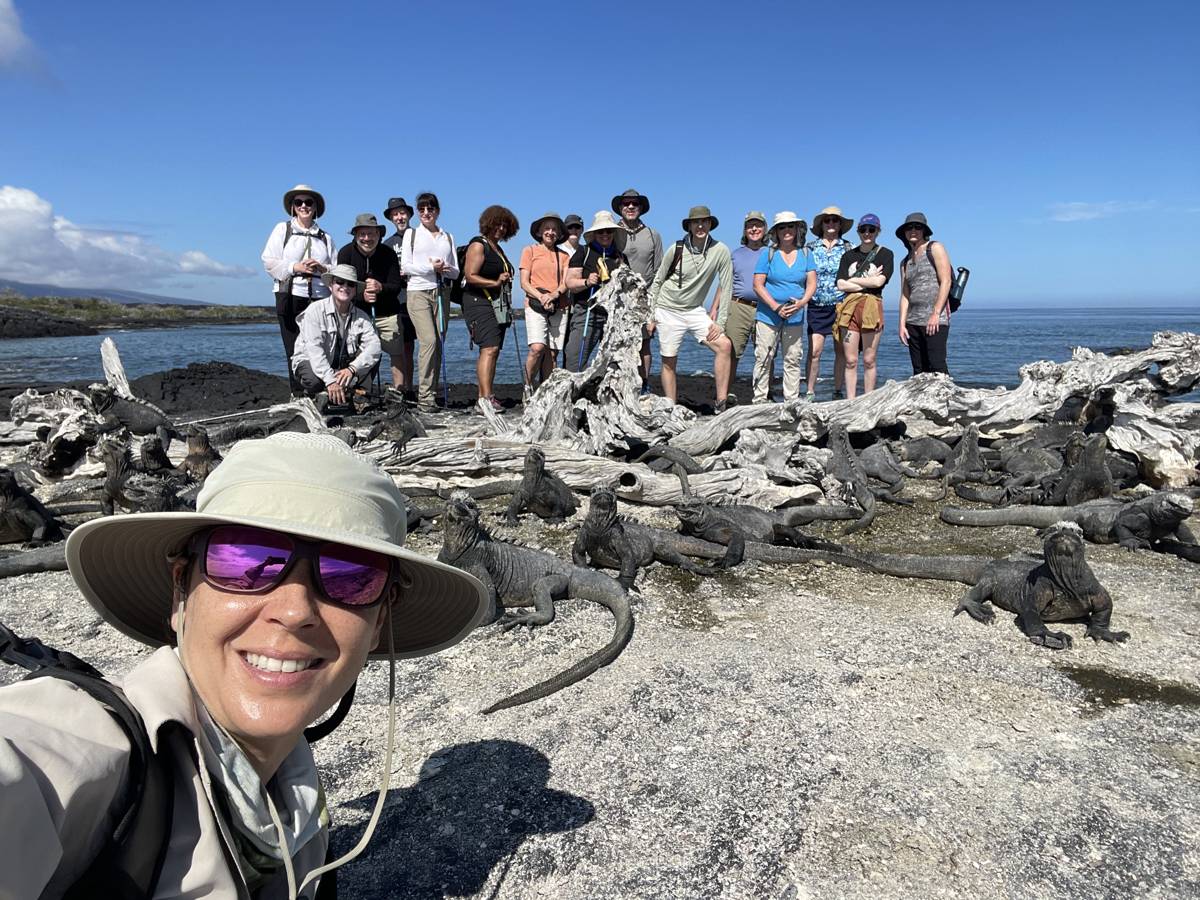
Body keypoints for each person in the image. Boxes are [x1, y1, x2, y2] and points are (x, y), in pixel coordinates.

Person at [0, 431, 489, 897]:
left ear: (379, 619)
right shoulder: (88, 751)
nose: (295, 610)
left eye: (350, 575)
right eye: (246, 559)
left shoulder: (297, 799)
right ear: (180, 590)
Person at [647, 206, 736, 412]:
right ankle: (672, 408)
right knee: (669, 360)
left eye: (704, 221)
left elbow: (727, 285)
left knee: (724, 345)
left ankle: (720, 404)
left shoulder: (721, 250)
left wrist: (720, 323)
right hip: (667, 309)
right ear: (689, 226)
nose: (700, 225)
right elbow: (658, 282)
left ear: (710, 224)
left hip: (695, 310)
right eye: (696, 222)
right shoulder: (676, 248)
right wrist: (650, 316)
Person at [261, 185, 337, 396]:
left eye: (308, 202)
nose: (304, 206)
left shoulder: (325, 238)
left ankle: (319, 389)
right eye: (299, 202)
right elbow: (268, 260)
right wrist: (295, 267)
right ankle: (298, 393)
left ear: (315, 207)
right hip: (291, 295)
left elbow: (335, 268)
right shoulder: (282, 230)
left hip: (320, 298)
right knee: (293, 347)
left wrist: (322, 268)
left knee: (320, 344)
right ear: (293, 207)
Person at [399, 192, 458, 413]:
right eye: (422, 209)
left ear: (437, 211)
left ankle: (431, 394)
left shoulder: (447, 237)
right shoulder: (411, 235)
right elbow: (406, 267)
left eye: (430, 208)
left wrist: (445, 268)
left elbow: (455, 271)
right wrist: (430, 268)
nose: (426, 213)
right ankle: (424, 397)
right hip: (418, 292)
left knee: (439, 344)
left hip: (442, 292)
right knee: (429, 341)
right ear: (417, 212)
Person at [291, 264, 381, 408]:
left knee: (373, 356)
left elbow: (375, 346)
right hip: (311, 361)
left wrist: (352, 369)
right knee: (314, 381)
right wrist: (331, 381)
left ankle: (358, 396)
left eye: (350, 284)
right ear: (331, 285)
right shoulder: (314, 311)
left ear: (354, 290)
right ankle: (319, 393)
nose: (344, 287)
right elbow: (315, 351)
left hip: (344, 367)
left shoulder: (362, 316)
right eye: (339, 282)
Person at [752, 212, 816, 403]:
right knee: (764, 357)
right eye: (782, 227)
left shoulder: (806, 254)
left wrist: (802, 302)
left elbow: (812, 283)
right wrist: (776, 307)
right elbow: (757, 284)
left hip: (795, 317)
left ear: (797, 230)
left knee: (792, 359)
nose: (787, 231)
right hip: (767, 316)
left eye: (790, 226)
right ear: (776, 232)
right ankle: (759, 400)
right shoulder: (768, 253)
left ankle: (791, 401)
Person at [461, 205, 519, 412]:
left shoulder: (497, 248)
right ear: (488, 223)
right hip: (478, 303)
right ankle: (485, 400)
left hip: (495, 305)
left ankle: (485, 396)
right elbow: (470, 276)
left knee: (494, 351)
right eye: (497, 224)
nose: (501, 228)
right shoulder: (478, 245)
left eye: (505, 225)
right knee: (489, 348)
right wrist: (495, 283)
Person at [338, 214, 403, 392]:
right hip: (357, 314)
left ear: (378, 235)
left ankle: (399, 392)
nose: (367, 238)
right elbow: (342, 288)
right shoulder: (345, 253)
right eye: (362, 234)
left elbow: (396, 286)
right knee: (358, 353)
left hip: (387, 313)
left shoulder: (388, 254)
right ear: (356, 235)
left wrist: (380, 287)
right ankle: (359, 390)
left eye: (371, 234)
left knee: (396, 354)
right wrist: (362, 295)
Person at [835, 214, 894, 399]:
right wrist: (868, 281)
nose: (867, 233)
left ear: (878, 231)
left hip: (871, 306)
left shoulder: (885, 254)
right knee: (851, 360)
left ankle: (868, 400)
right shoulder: (848, 256)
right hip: (849, 307)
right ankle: (850, 401)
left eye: (871, 229)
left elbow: (879, 282)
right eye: (863, 229)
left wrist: (854, 280)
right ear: (858, 231)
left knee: (869, 360)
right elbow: (841, 285)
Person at [611, 188, 664, 392]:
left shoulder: (653, 235)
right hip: (617, 299)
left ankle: (643, 384)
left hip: (645, 297)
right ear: (620, 208)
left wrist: (653, 305)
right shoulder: (610, 232)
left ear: (641, 207)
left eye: (635, 203)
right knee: (617, 344)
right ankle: (618, 384)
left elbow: (659, 270)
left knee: (644, 343)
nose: (630, 207)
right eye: (626, 203)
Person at [563, 211, 628, 372]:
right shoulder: (583, 253)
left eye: (608, 231)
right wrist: (586, 282)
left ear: (614, 233)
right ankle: (573, 393)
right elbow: (570, 283)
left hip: (613, 315)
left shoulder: (620, 257)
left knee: (613, 361)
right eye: (601, 231)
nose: (605, 234)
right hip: (587, 312)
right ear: (594, 234)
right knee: (574, 357)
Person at [806, 206, 854, 400]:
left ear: (840, 224)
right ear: (822, 224)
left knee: (840, 350)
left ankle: (837, 390)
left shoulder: (849, 247)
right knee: (815, 350)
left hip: (841, 305)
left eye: (835, 220)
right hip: (816, 305)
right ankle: (809, 391)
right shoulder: (809, 248)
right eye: (827, 220)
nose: (831, 223)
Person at [896, 212, 952, 375]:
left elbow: (946, 281)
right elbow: (905, 295)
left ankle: (945, 400)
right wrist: (901, 324)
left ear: (924, 231)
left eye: (917, 227)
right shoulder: (905, 262)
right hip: (912, 322)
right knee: (919, 370)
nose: (913, 230)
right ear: (904, 233)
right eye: (909, 228)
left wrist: (935, 314)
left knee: (937, 367)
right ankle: (920, 402)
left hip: (935, 320)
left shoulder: (935, 248)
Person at [520, 212, 571, 386]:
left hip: (559, 305)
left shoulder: (564, 256)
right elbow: (524, 283)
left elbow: (566, 282)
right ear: (540, 232)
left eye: (554, 229)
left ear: (559, 234)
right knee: (537, 348)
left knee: (552, 353)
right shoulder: (529, 251)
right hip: (535, 304)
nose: (550, 232)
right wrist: (542, 297)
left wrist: (554, 295)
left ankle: (545, 392)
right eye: (547, 228)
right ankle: (527, 387)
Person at [381, 197, 417, 394]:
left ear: (409, 215)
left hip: (419, 296)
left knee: (418, 348)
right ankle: (402, 388)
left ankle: (412, 387)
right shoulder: (387, 244)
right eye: (395, 214)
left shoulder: (421, 237)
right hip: (398, 301)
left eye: (402, 213)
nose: (399, 217)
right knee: (401, 348)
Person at [728, 211, 769, 375]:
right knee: (731, 353)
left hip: (766, 308)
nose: (754, 229)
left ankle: (765, 395)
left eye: (758, 225)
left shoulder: (772, 253)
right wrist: (715, 308)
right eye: (750, 226)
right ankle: (725, 395)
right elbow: (725, 284)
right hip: (739, 307)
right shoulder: (735, 254)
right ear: (745, 230)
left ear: (765, 229)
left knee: (766, 354)